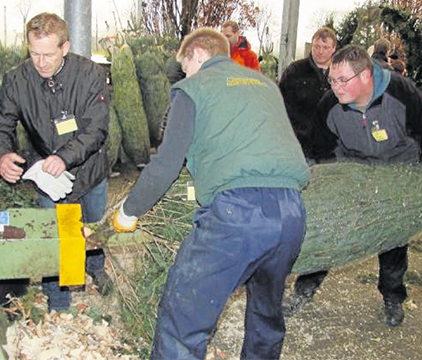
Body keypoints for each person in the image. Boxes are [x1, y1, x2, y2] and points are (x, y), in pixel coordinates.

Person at [112, 27, 309, 360]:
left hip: (238, 215)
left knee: (183, 320)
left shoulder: (194, 88)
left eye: (185, 66)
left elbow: (166, 164)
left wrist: (128, 211)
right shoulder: (265, 85)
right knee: (265, 316)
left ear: (199, 55)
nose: (184, 74)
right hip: (292, 213)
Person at [285, 45, 422, 327]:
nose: (335, 87)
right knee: (332, 232)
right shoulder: (330, 105)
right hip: (352, 172)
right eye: (332, 79)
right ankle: (303, 292)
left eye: (343, 80)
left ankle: (393, 298)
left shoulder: (401, 94)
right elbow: (320, 150)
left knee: (393, 243)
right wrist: (328, 184)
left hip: (397, 172)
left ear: (366, 75)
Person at [0, 12, 112, 310]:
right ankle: (59, 303)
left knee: (91, 225)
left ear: (64, 48)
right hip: (46, 173)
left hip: (90, 169)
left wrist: (65, 157)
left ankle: (95, 268)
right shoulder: (17, 80)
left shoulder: (91, 74)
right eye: (34, 54)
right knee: (60, 235)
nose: (40, 62)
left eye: (48, 55)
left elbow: (97, 129)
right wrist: (1, 154)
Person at [278, 27, 337, 160]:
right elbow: (280, 105)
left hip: (331, 148)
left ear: (334, 48)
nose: (320, 51)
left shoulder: (341, 74)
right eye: (316, 46)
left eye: (325, 47)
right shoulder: (294, 72)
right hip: (299, 145)